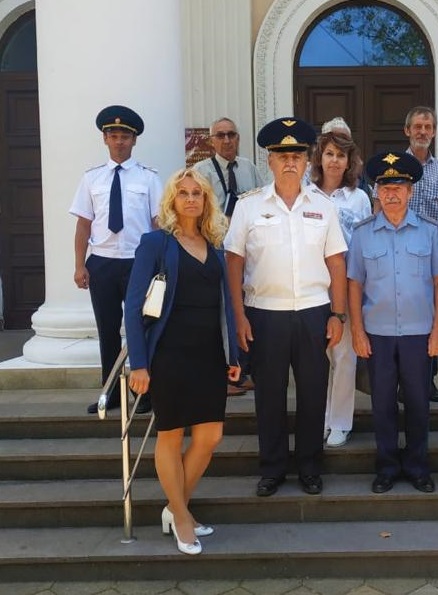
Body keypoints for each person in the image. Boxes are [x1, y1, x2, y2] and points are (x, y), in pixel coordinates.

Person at [225, 117, 348, 497]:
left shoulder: (323, 206)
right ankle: (273, 468)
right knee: (269, 396)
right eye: (282, 155)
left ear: (307, 159)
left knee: (313, 393)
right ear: (270, 161)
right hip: (264, 313)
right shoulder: (248, 206)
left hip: (314, 312)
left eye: (296, 155)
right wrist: (239, 317)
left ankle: (310, 467)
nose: (290, 162)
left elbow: (336, 262)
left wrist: (338, 314)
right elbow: (233, 262)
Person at [124, 169, 241, 555]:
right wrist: (139, 363)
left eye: (197, 193)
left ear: (206, 200)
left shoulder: (215, 245)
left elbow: (226, 306)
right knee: (171, 436)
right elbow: (134, 306)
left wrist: (233, 354)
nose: (191, 199)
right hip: (168, 354)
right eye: (183, 193)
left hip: (208, 353)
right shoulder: (155, 243)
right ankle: (183, 517)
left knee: (210, 436)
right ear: (172, 200)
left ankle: (175, 508)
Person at [348, 151, 438, 494]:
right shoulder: (362, 234)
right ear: (376, 192)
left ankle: (418, 466)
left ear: (410, 191)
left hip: (418, 333)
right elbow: (355, 284)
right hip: (377, 334)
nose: (392, 194)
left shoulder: (429, 231)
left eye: (399, 187)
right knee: (381, 404)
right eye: (385, 187)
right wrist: (357, 331)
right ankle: (387, 467)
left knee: (418, 403)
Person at [70, 105, 162, 415]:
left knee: (142, 327)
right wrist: (79, 265)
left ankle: (145, 392)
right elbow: (84, 224)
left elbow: (158, 224)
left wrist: (161, 265)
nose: (119, 141)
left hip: (138, 263)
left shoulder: (148, 178)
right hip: (103, 262)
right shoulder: (92, 178)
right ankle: (111, 393)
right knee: (107, 330)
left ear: (134, 140)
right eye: (113, 136)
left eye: (124, 136)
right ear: (105, 139)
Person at [309, 130, 372, 448]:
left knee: (344, 355)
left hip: (346, 287)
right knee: (316, 357)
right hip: (311, 286)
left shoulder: (359, 198)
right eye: (329, 154)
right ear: (319, 158)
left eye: (341, 155)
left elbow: (365, 245)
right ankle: (319, 418)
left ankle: (340, 422)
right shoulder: (305, 194)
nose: (335, 160)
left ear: (349, 162)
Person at [193, 117, 264, 397]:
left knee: (245, 309)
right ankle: (224, 374)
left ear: (238, 138)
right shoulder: (200, 171)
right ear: (211, 140)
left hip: (247, 253)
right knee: (221, 312)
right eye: (220, 135)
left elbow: (262, 203)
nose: (226, 140)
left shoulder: (249, 168)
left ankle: (244, 370)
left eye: (231, 134)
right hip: (215, 251)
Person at [398, 106, 438, 403]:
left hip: (432, 255)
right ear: (407, 130)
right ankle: (400, 380)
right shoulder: (393, 165)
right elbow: (379, 208)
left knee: (432, 316)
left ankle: (428, 378)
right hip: (398, 254)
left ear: (434, 132)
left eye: (428, 127)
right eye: (417, 126)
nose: (422, 132)